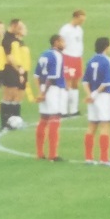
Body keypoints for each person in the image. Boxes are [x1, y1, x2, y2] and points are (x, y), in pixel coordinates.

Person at [82, 36, 110, 166]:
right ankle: (104, 158)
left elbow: (85, 81)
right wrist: (95, 94)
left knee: (92, 125)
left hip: (92, 97)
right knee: (105, 125)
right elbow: (107, 81)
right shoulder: (108, 61)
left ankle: (89, 158)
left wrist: (90, 95)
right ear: (106, 47)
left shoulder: (90, 61)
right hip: (103, 97)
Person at [34, 34, 68, 162]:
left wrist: (40, 91)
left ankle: (39, 153)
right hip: (53, 89)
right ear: (56, 42)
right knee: (55, 119)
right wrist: (44, 93)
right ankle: (53, 155)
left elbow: (36, 75)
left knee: (43, 119)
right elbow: (52, 77)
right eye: (63, 41)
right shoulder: (57, 56)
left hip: (44, 87)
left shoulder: (44, 54)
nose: (64, 44)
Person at [2, 19, 32, 135]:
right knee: (9, 96)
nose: (23, 30)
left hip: (22, 69)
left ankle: (16, 121)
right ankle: (6, 123)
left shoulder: (17, 40)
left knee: (18, 96)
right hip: (12, 70)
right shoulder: (8, 39)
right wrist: (18, 70)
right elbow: (10, 57)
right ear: (14, 27)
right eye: (20, 27)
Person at [58, 9, 86, 117]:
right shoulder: (65, 29)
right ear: (75, 17)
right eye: (80, 20)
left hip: (77, 58)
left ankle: (73, 110)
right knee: (67, 83)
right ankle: (63, 111)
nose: (81, 22)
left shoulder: (79, 29)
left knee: (75, 83)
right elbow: (60, 44)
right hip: (68, 57)